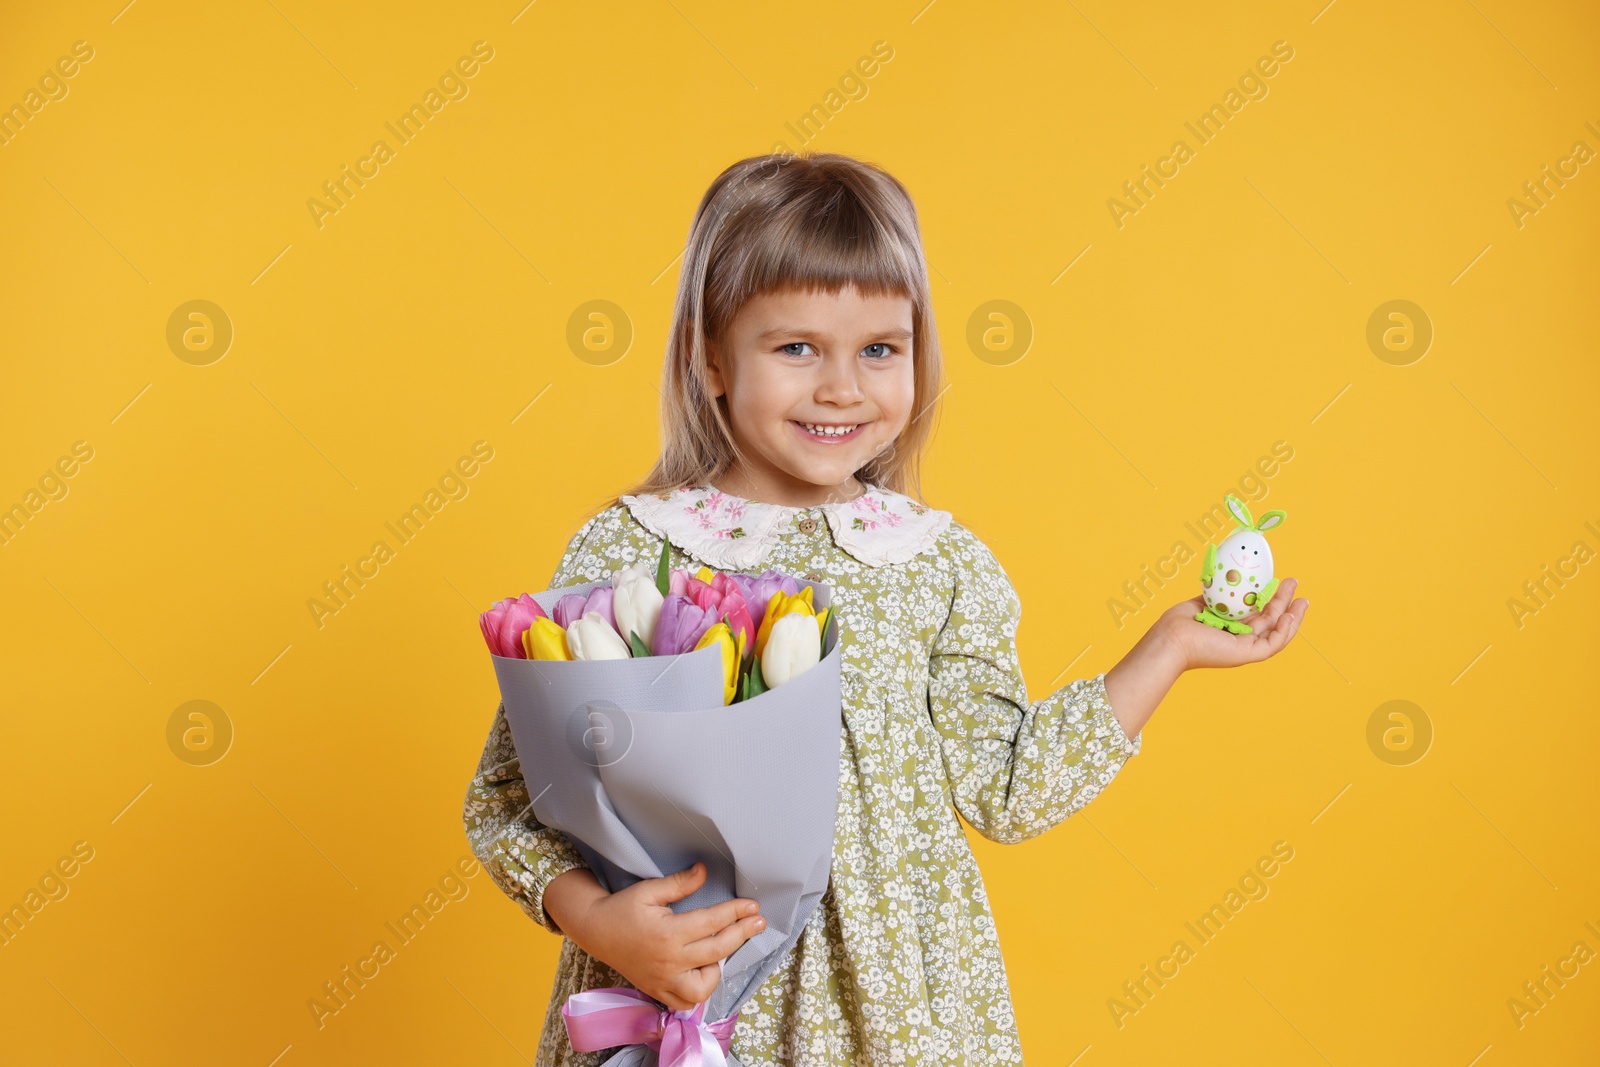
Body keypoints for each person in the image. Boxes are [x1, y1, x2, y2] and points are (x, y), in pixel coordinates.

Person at [462, 151, 1309, 1065]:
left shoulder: (938, 563)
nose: (843, 387)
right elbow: (507, 800)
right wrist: (602, 921)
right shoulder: (629, 551)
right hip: (687, 998)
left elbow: (1008, 790)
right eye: (797, 348)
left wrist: (1170, 647)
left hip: (894, 1020)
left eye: (879, 348)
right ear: (711, 356)